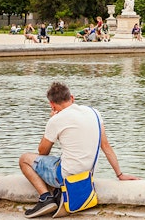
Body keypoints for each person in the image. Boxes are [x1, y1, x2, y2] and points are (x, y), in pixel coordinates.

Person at [19, 82, 138, 218]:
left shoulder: (56, 120)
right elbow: (106, 146)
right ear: (72, 97)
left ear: (52, 105)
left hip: (66, 176)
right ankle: (56, 194)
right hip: (87, 174)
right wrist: (120, 174)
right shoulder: (94, 113)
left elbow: (42, 152)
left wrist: (51, 121)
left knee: (24, 159)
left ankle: (45, 198)